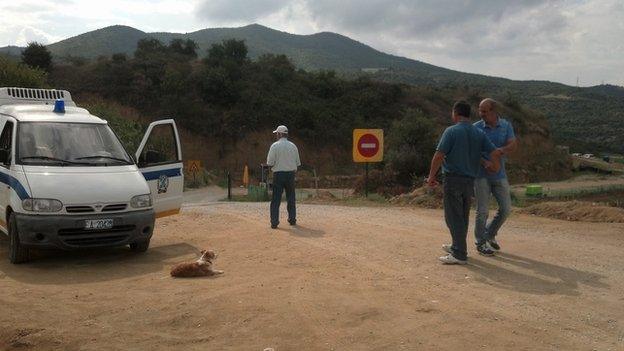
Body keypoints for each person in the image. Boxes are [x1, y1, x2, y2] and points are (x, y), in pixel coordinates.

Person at [426, 101, 502, 265]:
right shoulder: (479, 133)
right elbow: (495, 152)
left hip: (453, 179)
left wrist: (431, 177)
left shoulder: (451, 131)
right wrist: (495, 166)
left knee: (452, 216)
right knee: (462, 216)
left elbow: (439, 155)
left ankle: (459, 253)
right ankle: (456, 245)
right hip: (470, 181)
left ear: (456, 113)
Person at [473, 98, 518, 256]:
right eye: (480, 110)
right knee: (482, 211)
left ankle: (489, 234)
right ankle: (480, 242)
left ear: (493, 112)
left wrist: (501, 151)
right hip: (481, 176)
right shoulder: (476, 128)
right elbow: (471, 150)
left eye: (484, 111)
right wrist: (484, 161)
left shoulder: (506, 126)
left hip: (499, 174)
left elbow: (513, 144)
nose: (481, 114)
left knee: (506, 209)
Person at [266, 125, 301, 229]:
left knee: (276, 199)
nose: (276, 135)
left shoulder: (274, 146)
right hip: (290, 174)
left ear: (280, 134)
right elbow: (297, 163)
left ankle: (274, 222)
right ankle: (292, 219)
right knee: (291, 198)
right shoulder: (293, 146)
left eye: (277, 133)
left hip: (279, 174)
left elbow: (270, 162)